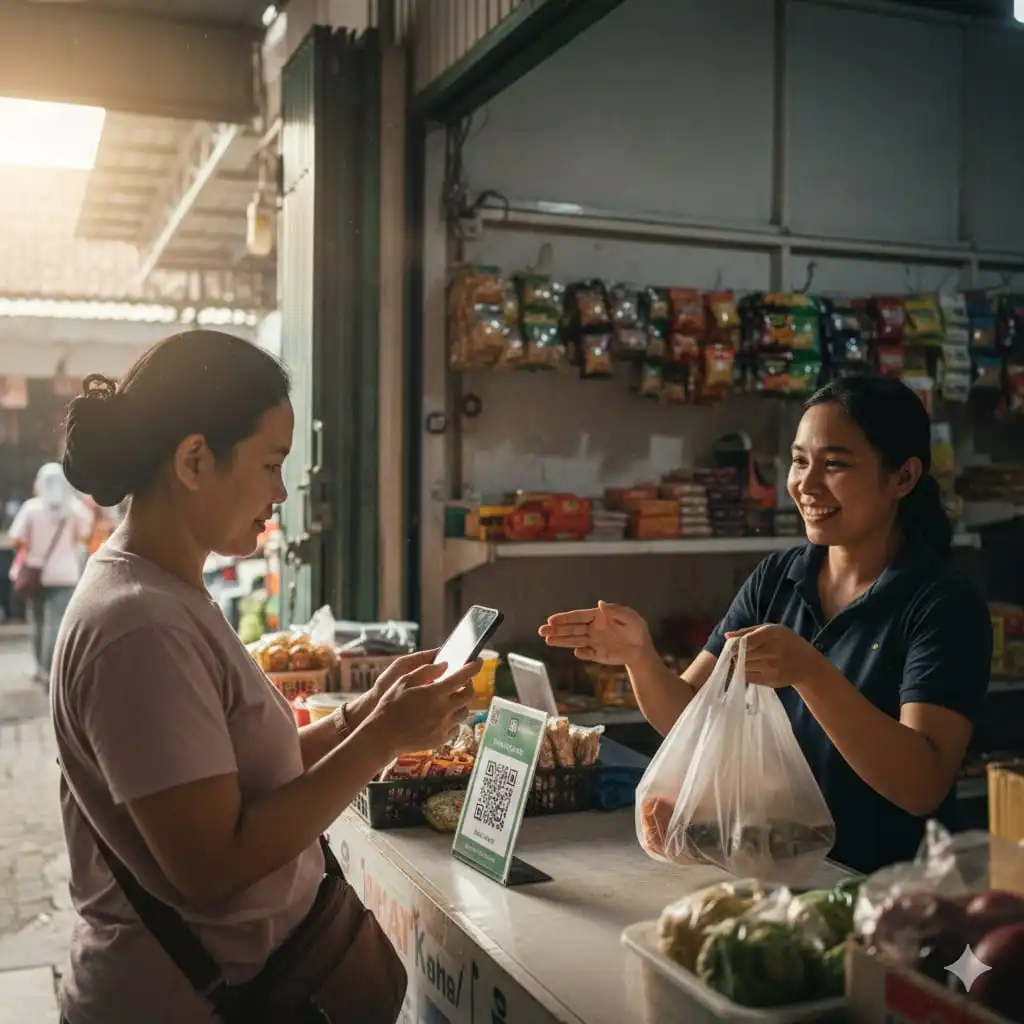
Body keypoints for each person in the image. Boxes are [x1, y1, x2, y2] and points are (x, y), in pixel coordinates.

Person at [53, 330, 477, 1024]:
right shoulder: (139, 626)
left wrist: (365, 717)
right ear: (194, 459)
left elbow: (240, 782)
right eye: (271, 464)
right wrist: (379, 744)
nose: (281, 492)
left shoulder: (167, 595)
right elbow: (214, 865)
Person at [540, 374, 992, 875]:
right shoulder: (779, 576)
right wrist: (639, 657)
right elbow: (689, 716)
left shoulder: (943, 603)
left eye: (835, 464)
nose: (806, 484)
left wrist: (811, 673)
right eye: (800, 461)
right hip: (775, 868)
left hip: (883, 890)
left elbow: (922, 784)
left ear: (902, 478)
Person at [9, 462, 91, 685]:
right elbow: (84, 535)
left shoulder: (31, 508)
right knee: (56, 624)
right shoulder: (75, 508)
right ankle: (52, 669)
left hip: (35, 573)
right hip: (65, 574)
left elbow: (16, 538)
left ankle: (40, 668)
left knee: (36, 622)